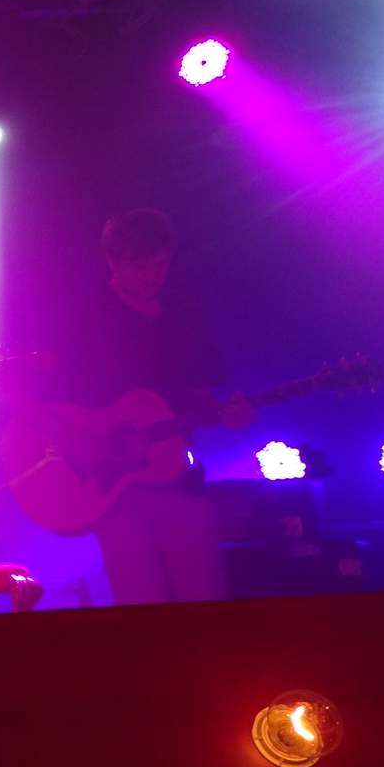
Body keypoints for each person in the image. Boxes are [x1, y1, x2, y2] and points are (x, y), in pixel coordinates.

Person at [56, 208, 252, 605]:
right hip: (119, 488)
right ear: (112, 261)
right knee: (143, 610)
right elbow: (55, 402)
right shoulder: (85, 318)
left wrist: (227, 415)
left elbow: (200, 394)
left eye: (160, 264)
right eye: (140, 267)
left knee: (204, 603)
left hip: (180, 476)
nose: (153, 276)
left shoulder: (184, 315)